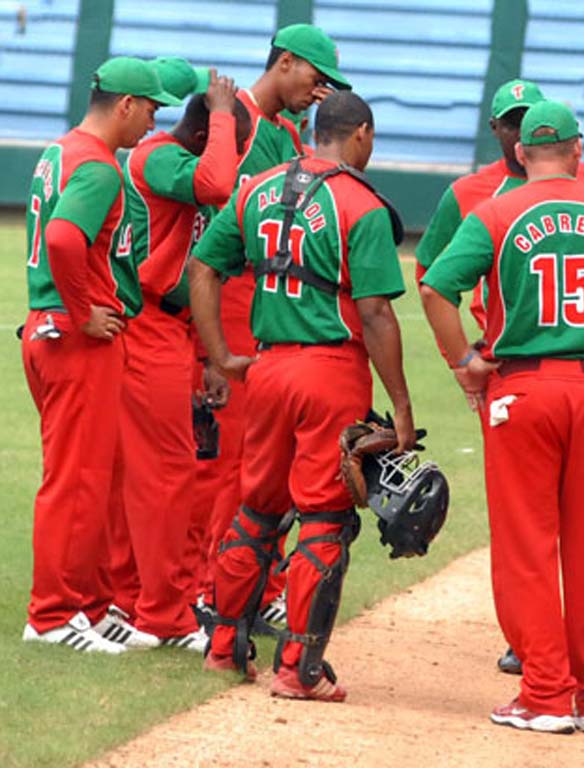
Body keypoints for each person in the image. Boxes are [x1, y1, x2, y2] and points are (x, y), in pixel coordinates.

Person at [421, 100, 584, 734]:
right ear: (577, 149)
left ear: (519, 153)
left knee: (527, 548)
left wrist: (464, 360)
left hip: (522, 390)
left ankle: (544, 693)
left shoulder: (494, 210)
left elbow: (435, 287)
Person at [190, 90, 415, 701]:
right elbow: (374, 314)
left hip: (265, 369)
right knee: (323, 518)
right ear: (361, 134)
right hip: (329, 372)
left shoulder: (256, 188)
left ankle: (221, 646)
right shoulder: (362, 205)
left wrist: (219, 355)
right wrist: (403, 407)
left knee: (257, 509)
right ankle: (298, 669)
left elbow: (202, 269)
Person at [192, 23, 351, 628]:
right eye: (317, 76)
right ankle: (217, 595)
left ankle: (260, 586)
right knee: (237, 467)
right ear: (285, 62)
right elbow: (214, 212)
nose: (322, 92)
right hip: (233, 303)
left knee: (269, 467)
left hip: (269, 311)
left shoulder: (284, 132)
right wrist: (211, 350)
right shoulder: (240, 120)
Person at [20, 57, 180, 652]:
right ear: (126, 106)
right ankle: (52, 616)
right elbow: (64, 239)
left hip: (48, 327)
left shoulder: (59, 150)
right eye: (152, 110)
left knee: (94, 478)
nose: (153, 124)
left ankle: (85, 606)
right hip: (74, 337)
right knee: (76, 482)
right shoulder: (100, 166)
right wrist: (84, 307)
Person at [95, 64, 252, 651]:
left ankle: (134, 600)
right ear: (203, 133)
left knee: (151, 473)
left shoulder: (175, 161)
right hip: (145, 325)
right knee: (165, 474)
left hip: (173, 328)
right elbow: (214, 185)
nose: (233, 159)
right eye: (232, 146)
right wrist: (220, 116)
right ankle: (162, 614)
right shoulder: (158, 157)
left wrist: (208, 354)